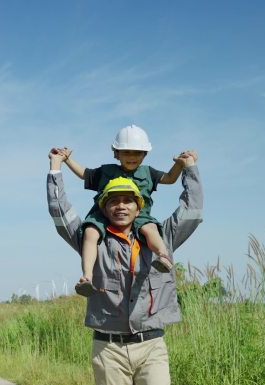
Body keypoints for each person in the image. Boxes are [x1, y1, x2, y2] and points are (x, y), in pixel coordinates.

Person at [46, 148, 201, 385]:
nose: (121, 206)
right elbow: (60, 213)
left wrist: (189, 168)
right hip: (108, 350)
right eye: (113, 201)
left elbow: (193, 211)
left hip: (151, 348)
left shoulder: (162, 237)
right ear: (104, 208)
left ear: (139, 208)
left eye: (128, 200)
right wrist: (55, 168)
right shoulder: (92, 239)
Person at [51, 124, 194, 297]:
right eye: (126, 152)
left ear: (144, 154)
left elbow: (170, 179)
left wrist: (181, 164)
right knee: (89, 232)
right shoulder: (106, 171)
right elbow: (84, 174)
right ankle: (87, 277)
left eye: (137, 153)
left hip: (139, 216)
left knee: (150, 229)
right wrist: (66, 160)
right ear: (116, 153)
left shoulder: (148, 173)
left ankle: (163, 256)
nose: (132, 157)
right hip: (104, 214)